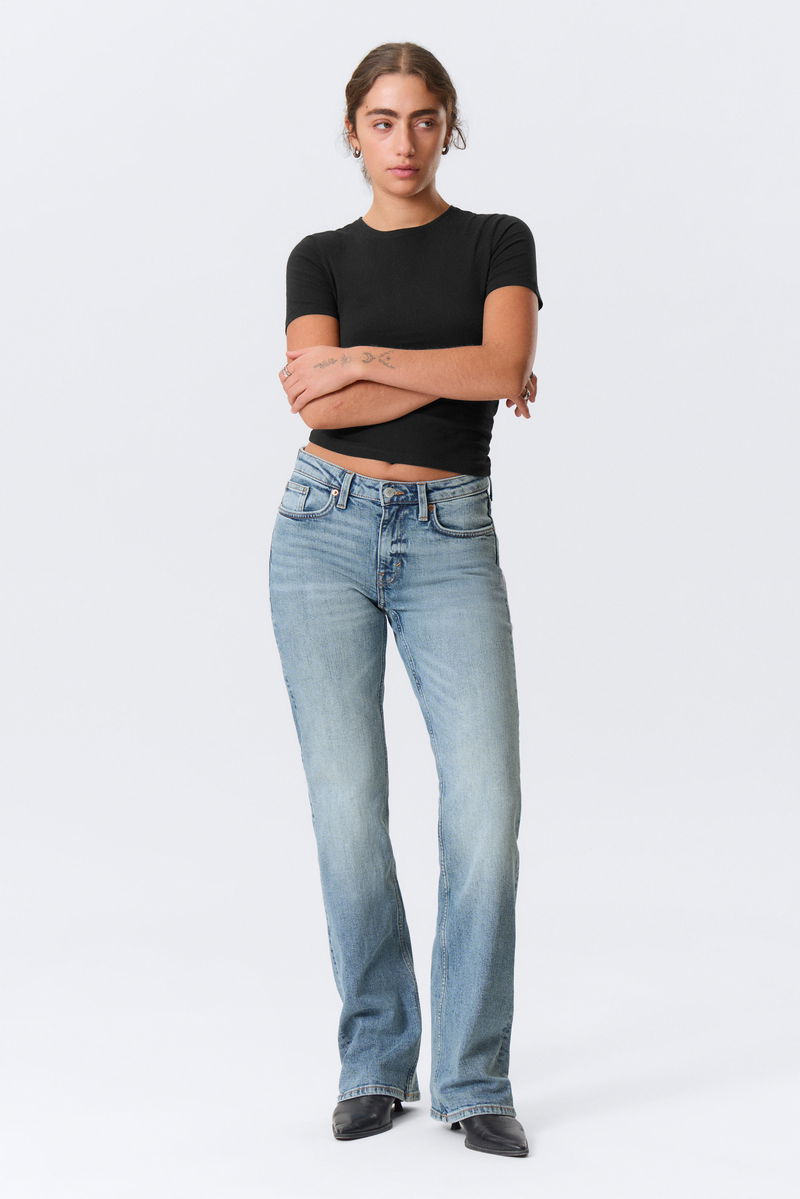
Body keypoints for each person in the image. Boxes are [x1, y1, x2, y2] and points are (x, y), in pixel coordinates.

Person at [269, 41, 542, 1158]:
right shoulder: (318, 256)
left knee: (485, 811)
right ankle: (376, 1061)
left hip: (449, 537)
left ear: (448, 126)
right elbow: (312, 401)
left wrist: (366, 360)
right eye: (382, 121)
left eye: (424, 119)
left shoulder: (497, 240)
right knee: (347, 813)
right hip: (320, 530)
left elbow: (500, 369)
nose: (404, 141)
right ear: (353, 131)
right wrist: (448, 362)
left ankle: (473, 1076)